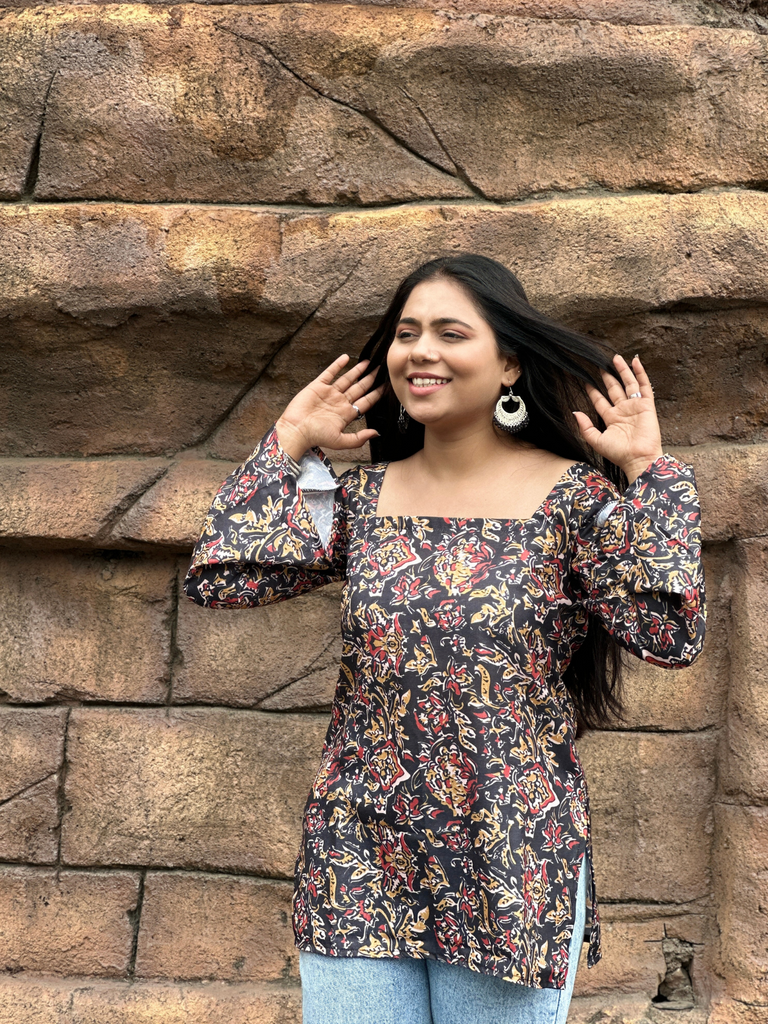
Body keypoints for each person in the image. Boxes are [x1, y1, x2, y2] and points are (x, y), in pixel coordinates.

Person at [185, 254, 706, 1024]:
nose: (420, 351)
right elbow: (223, 577)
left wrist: (649, 472)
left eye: (450, 333)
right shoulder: (359, 498)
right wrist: (289, 440)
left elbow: (671, 633)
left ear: (509, 364)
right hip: (359, 853)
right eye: (407, 333)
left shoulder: (576, 500)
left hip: (510, 855)